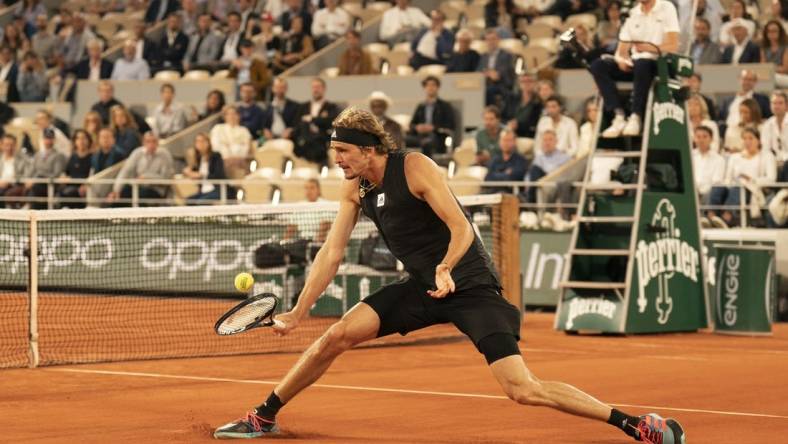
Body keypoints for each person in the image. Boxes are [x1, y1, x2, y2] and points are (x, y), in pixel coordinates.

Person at [213, 106, 676, 443]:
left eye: (343, 151)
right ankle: (263, 416)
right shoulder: (354, 187)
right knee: (334, 336)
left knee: (523, 389)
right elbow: (332, 252)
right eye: (334, 151)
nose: (337, 159)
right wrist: (297, 311)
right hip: (422, 288)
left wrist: (447, 267)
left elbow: (462, 228)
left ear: (371, 148)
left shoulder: (414, 167)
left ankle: (635, 425)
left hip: (470, 286)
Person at [591, 0, 679, 138]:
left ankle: (636, 116)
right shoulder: (633, 13)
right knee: (598, 65)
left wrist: (647, 47)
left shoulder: (666, 7)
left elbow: (672, 45)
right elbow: (622, 50)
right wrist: (621, 60)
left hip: (659, 64)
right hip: (637, 64)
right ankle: (618, 115)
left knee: (642, 62)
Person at [708, 127, 776, 227]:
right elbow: (727, 178)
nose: (747, 141)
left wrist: (751, 180)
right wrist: (731, 183)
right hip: (733, 186)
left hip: (754, 189)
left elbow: (771, 179)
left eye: (751, 138)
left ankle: (725, 218)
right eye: (744, 139)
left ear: (758, 140)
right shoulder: (735, 157)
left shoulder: (767, 156)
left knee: (740, 186)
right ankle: (711, 218)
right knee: (718, 186)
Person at [107, 132, 175, 207]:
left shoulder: (165, 155)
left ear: (158, 142)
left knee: (141, 195)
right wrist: (116, 190)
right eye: (148, 141)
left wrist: (147, 177)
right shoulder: (137, 153)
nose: (151, 144)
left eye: (154, 141)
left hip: (156, 190)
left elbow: (166, 178)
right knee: (121, 195)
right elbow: (126, 171)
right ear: (143, 143)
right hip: (138, 187)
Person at [292, 77, 341, 165]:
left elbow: (331, 122)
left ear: (324, 89)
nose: (316, 90)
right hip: (305, 140)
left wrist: (312, 119)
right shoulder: (303, 107)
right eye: (314, 87)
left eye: (318, 87)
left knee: (316, 143)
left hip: (322, 141)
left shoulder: (331, 107)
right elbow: (297, 124)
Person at [405, 75, 455, 158]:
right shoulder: (421, 106)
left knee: (427, 143)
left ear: (438, 87)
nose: (430, 87)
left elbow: (451, 125)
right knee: (402, 139)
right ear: (424, 88)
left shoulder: (445, 106)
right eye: (428, 85)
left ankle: (426, 168)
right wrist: (417, 127)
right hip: (420, 136)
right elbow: (412, 124)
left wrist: (433, 128)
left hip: (438, 136)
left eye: (433, 85)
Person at [25, 127, 67, 209]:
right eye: (46, 138)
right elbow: (32, 170)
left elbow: (56, 174)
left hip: (48, 184)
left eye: (50, 138)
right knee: (29, 187)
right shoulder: (38, 155)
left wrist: (37, 178)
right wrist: (28, 179)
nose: (48, 141)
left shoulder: (58, 155)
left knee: (34, 188)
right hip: (35, 184)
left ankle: (30, 208)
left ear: (54, 140)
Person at [182, 132, 227, 203]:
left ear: (208, 143)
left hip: (216, 189)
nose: (199, 144)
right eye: (197, 141)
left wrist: (202, 175)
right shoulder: (199, 159)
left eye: (202, 141)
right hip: (203, 190)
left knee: (201, 202)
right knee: (188, 201)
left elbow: (218, 174)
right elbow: (193, 174)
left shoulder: (216, 156)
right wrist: (189, 172)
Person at [477, 28, 515, 107]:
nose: (491, 42)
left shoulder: (506, 55)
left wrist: (498, 75)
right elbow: (479, 71)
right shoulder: (483, 56)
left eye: (493, 39)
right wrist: (486, 74)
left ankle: (492, 114)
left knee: (487, 91)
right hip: (486, 84)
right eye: (488, 39)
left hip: (501, 85)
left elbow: (507, 72)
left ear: (498, 40)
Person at [57, 129, 93, 208]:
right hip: (70, 186)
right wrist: (63, 176)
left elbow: (92, 175)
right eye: (78, 138)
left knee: (69, 193)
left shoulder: (93, 157)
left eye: (84, 138)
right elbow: (66, 172)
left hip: (82, 188)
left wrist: (85, 185)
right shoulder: (73, 157)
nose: (81, 141)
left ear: (88, 140)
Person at [692, 125, 725, 205]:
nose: (701, 140)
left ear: (711, 139)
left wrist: (700, 192)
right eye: (698, 137)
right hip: (691, 193)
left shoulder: (719, 159)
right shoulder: (689, 156)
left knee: (716, 190)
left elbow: (717, 181)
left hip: (707, 194)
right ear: (694, 139)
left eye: (704, 137)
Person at [506, 74, 542, 138]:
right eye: (523, 81)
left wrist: (518, 125)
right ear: (519, 84)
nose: (526, 84)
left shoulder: (539, 102)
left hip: (528, 135)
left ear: (535, 83)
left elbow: (536, 124)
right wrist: (509, 123)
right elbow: (503, 116)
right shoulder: (512, 98)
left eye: (530, 81)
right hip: (510, 132)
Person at [0, 134, 31, 208]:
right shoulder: (1, 159)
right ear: (1, 145)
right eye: (6, 145)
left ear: (16, 145)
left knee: (8, 194)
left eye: (11, 145)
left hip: (16, 185)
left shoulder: (23, 159)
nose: (9, 148)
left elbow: (27, 175)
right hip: (1, 185)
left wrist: (10, 180)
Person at [761, 90, 788, 161]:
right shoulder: (767, 125)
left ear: (786, 105)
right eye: (774, 103)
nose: (777, 106)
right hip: (773, 162)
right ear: (770, 106)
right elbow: (765, 149)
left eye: (780, 103)